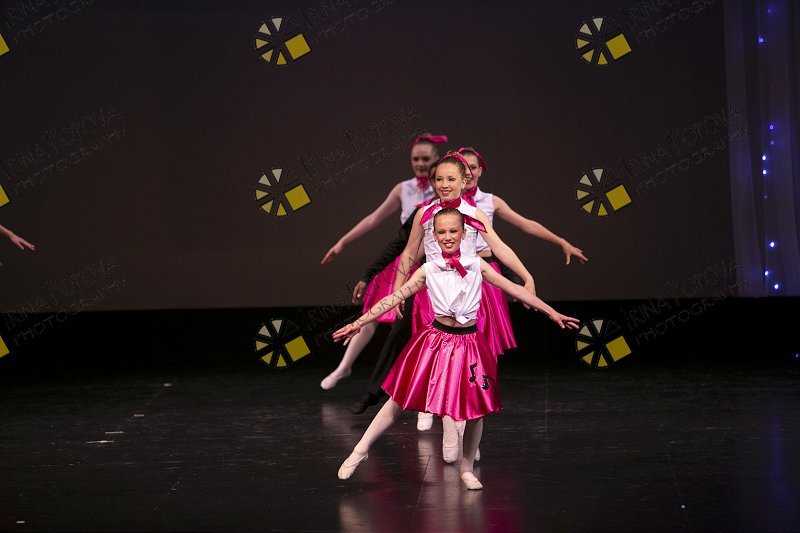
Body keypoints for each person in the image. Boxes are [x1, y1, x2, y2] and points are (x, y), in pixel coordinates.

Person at [333, 208, 580, 490]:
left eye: (453, 231)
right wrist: (358, 323)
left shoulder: (477, 265)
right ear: (434, 236)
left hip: (469, 344)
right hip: (435, 342)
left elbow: (516, 290)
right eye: (442, 232)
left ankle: (466, 468)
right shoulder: (428, 269)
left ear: (464, 234)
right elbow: (392, 299)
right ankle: (360, 450)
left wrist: (552, 312)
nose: (448, 236)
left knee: (476, 410)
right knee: (398, 399)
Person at [319, 134, 447, 390]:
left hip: (431, 261)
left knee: (425, 321)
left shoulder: (443, 187)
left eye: (426, 159)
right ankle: (344, 366)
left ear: (436, 159)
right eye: (416, 159)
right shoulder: (404, 189)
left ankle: (424, 382)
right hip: (405, 258)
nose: (420, 164)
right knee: (373, 313)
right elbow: (374, 218)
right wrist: (342, 242)